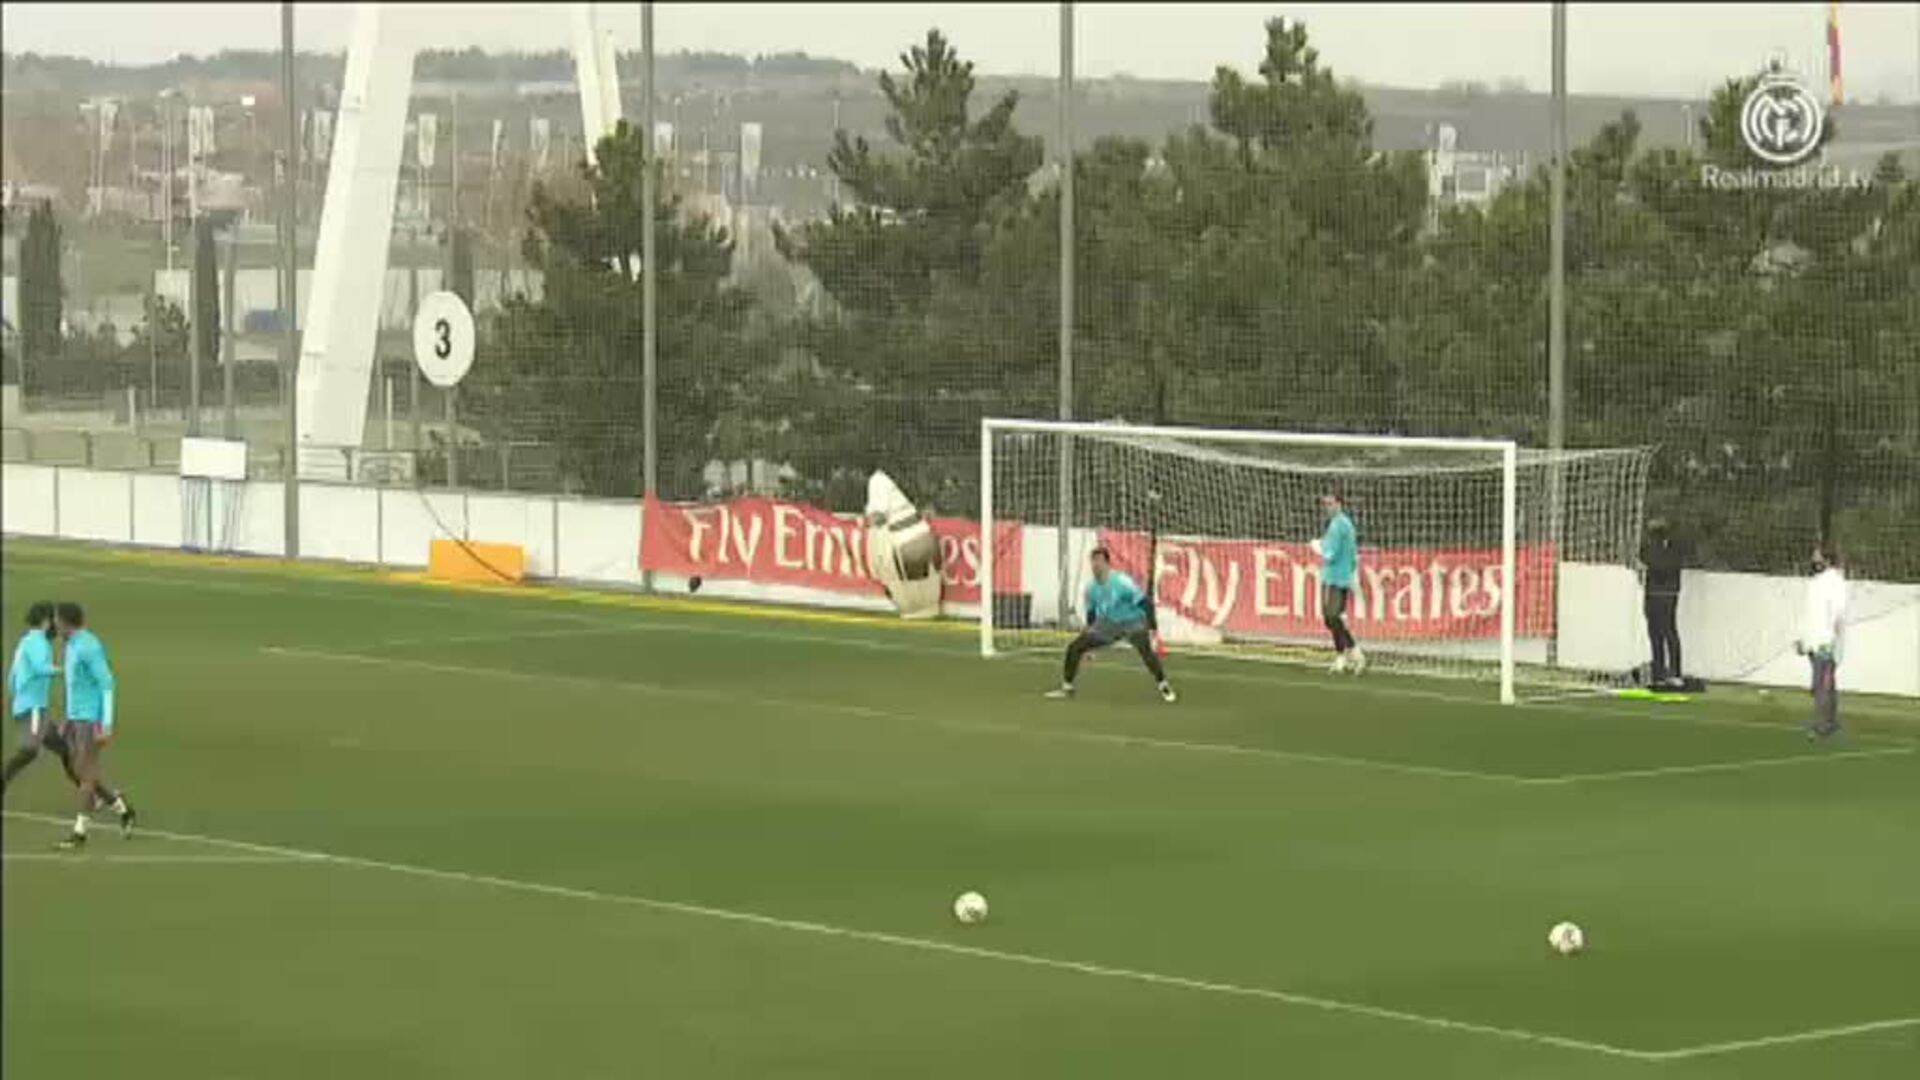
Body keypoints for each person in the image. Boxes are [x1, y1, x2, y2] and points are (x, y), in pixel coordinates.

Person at [1046, 548, 1176, 703]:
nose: (1096, 565)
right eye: (1093, 561)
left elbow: (1146, 604)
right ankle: (1067, 688)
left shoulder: (1122, 582)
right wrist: (1089, 640)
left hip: (1132, 621)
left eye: (1099, 561)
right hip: (1110, 624)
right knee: (1074, 648)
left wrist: (1153, 631)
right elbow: (1092, 615)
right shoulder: (1091, 589)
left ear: (1107, 564)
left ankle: (1163, 684)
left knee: (1146, 653)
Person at [54, 602, 135, 848]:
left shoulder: (89, 646)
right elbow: (76, 684)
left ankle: (80, 832)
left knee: (86, 775)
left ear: (65, 622)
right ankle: (121, 807)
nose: (55, 625)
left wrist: (106, 724)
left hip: (91, 720)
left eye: (57, 620)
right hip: (76, 718)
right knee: (78, 771)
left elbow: (107, 684)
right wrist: (68, 717)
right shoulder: (71, 644)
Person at [1794, 543, 1848, 741]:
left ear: (1827, 560)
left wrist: (1831, 638)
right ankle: (1829, 721)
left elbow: (1838, 611)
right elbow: (1809, 613)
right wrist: (1803, 638)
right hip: (1814, 640)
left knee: (1821, 684)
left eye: (1817, 557)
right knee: (1827, 683)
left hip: (1826, 640)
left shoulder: (1835, 581)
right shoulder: (1816, 582)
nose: (1814, 561)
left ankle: (1823, 725)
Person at [1312, 493, 1366, 674]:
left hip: (1333, 578)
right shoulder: (1346, 524)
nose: (1327, 508)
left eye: (1330, 504)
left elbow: (1330, 554)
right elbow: (1352, 553)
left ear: (1339, 504)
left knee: (1331, 617)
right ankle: (1351, 653)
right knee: (1334, 618)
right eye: (1325, 504)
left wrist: (1317, 547)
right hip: (1343, 577)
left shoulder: (1337, 525)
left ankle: (1345, 654)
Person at [1638, 518, 1686, 689]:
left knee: (1668, 631)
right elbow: (1644, 562)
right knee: (1654, 633)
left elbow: (1663, 568)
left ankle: (1675, 672)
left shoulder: (1672, 548)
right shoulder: (1649, 548)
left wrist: (1647, 562)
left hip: (1667, 594)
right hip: (1652, 593)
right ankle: (1658, 672)